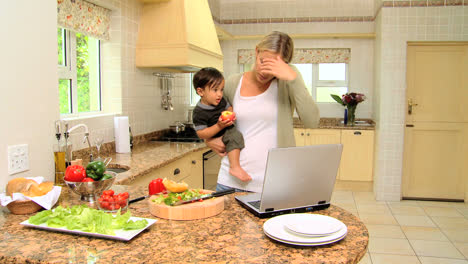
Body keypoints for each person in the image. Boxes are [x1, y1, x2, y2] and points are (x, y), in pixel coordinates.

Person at [205, 31, 320, 193]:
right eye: (262, 62)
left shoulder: (286, 84)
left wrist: (294, 79)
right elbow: (207, 117)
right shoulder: (232, 83)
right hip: (230, 182)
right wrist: (208, 140)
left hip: (274, 184)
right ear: (257, 51)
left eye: (272, 67)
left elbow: (312, 121)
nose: (264, 72)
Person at [192, 67, 252, 183]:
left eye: (221, 90)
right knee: (235, 136)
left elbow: (228, 107)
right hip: (220, 133)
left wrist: (230, 113)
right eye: (215, 90)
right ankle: (235, 167)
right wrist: (219, 126)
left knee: (234, 136)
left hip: (225, 129)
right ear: (200, 92)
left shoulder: (221, 101)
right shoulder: (199, 112)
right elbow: (201, 134)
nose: (219, 94)